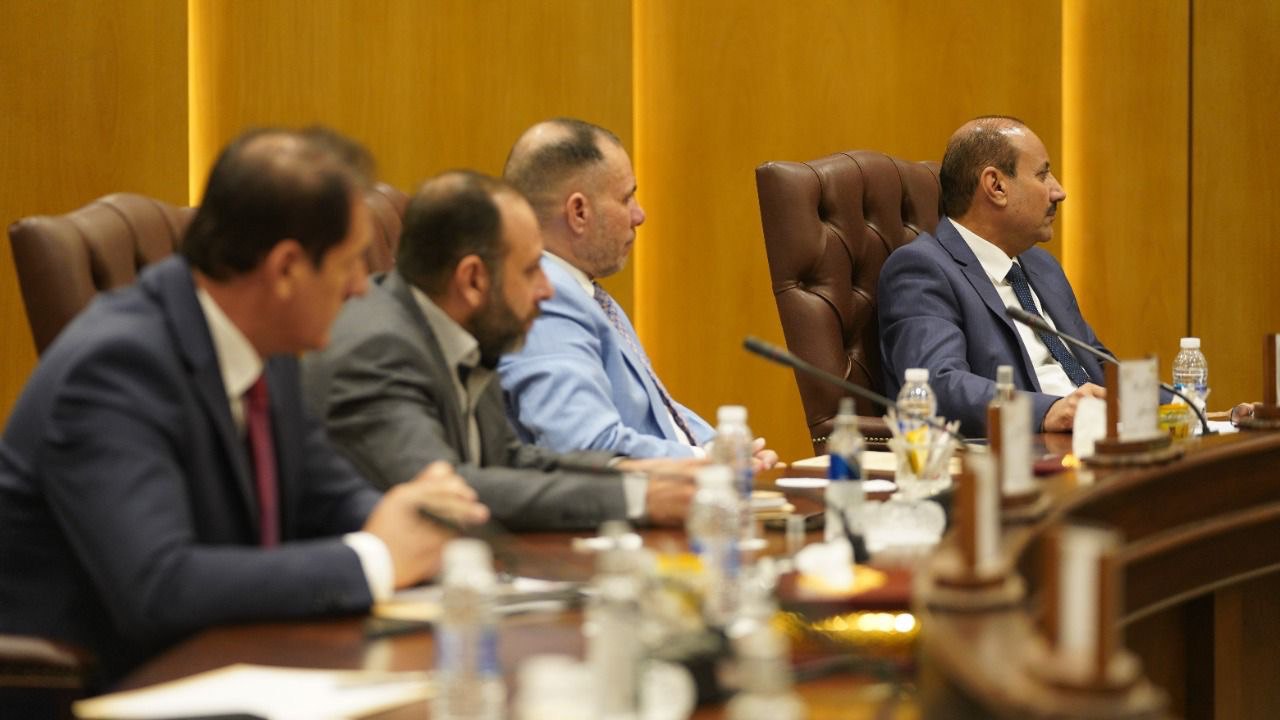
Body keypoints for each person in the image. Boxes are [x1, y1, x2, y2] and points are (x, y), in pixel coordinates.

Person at [0, 127, 487, 686]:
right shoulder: (116, 366)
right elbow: (159, 587)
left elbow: (327, 495)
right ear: (286, 269)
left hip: (231, 664)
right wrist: (374, 560)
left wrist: (416, 518)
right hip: (100, 687)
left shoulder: (266, 345)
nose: (361, 287)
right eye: (350, 263)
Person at [301, 171, 695, 529]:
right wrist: (636, 498)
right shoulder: (378, 349)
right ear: (473, 280)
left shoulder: (466, 330)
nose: (547, 290)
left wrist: (641, 473)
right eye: (530, 271)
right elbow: (449, 492)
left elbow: (508, 459)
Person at [499, 118, 778, 465]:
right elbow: (585, 445)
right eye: (627, 197)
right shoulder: (546, 297)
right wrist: (706, 463)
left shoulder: (582, 289)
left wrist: (717, 447)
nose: (639, 215)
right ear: (579, 212)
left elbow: (651, 412)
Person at [878, 116, 1110, 438]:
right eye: (1043, 175)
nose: (1059, 191)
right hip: (1024, 448)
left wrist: (1175, 405)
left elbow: (1098, 365)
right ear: (996, 186)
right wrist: (1048, 411)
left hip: (1098, 438)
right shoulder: (922, 269)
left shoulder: (1043, 266)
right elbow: (937, 385)